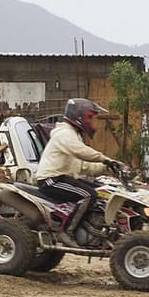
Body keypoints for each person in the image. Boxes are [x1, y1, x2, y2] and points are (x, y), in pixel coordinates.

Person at [34, 98, 125, 248]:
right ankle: (66, 232)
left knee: (101, 192)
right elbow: (81, 152)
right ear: (79, 116)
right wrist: (104, 159)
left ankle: (94, 229)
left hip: (64, 178)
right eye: (90, 117)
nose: (92, 122)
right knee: (89, 195)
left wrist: (109, 167)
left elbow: (84, 166)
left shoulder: (74, 136)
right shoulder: (64, 133)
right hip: (51, 180)